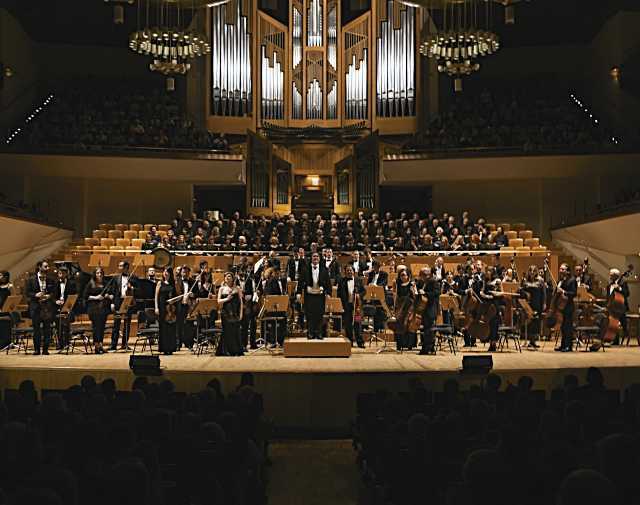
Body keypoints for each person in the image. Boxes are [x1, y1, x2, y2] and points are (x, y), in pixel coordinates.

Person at [25, 260, 56, 355]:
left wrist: (49, 296)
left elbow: (54, 292)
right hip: (36, 307)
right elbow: (27, 293)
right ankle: (37, 349)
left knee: (47, 329)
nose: (48, 268)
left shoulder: (50, 279)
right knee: (36, 330)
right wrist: (36, 295)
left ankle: (46, 349)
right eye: (45, 266)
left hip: (47, 307)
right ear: (39, 267)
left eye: (48, 266)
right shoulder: (31, 279)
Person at [300, 252, 331, 340]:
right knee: (309, 315)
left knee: (319, 315)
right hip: (309, 295)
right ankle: (310, 333)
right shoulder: (305, 269)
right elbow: (300, 282)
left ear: (319, 258)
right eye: (314, 256)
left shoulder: (324, 269)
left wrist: (328, 293)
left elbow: (328, 283)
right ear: (311, 258)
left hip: (320, 296)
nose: (315, 258)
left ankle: (319, 333)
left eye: (317, 256)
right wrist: (298, 293)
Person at [83, 267, 112, 354]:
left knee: (102, 327)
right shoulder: (90, 284)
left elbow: (109, 294)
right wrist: (96, 297)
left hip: (103, 308)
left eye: (101, 273)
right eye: (98, 273)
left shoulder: (105, 284)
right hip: (93, 308)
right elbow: (85, 296)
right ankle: (96, 346)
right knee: (96, 327)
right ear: (95, 274)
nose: (99, 275)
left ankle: (101, 345)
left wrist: (108, 296)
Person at [109, 260, 135, 352]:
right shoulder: (115, 278)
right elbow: (112, 291)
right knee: (116, 324)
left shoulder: (133, 278)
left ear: (126, 268)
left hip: (128, 302)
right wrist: (112, 303)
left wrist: (132, 288)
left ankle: (125, 344)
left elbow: (139, 290)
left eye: (120, 266)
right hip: (118, 302)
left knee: (127, 324)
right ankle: (113, 345)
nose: (119, 267)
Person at [337, 265, 365, 348]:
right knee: (348, 324)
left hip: (357, 306)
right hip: (346, 305)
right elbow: (339, 293)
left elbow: (364, 291)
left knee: (358, 323)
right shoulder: (341, 281)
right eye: (348, 270)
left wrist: (360, 295)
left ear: (354, 271)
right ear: (345, 272)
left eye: (351, 270)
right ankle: (350, 341)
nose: (349, 272)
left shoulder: (358, 280)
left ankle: (360, 342)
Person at [217, 272, 244, 356]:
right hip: (225, 313)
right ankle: (226, 351)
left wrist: (241, 314)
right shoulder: (221, 289)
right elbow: (218, 301)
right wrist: (227, 299)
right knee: (227, 331)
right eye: (226, 277)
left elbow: (241, 302)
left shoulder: (237, 288)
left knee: (235, 331)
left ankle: (236, 351)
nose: (227, 278)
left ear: (233, 278)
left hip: (235, 312)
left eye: (229, 276)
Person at [416, 267, 440, 355]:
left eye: (423, 275)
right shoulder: (422, 282)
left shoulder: (434, 282)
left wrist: (425, 293)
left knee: (429, 330)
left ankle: (428, 348)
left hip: (431, 308)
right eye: (421, 275)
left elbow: (437, 293)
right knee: (426, 329)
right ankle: (427, 347)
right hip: (423, 308)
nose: (422, 277)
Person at [520, 265, 545, 349]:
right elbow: (521, 290)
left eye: (534, 271)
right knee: (527, 322)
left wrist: (544, 303)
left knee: (535, 322)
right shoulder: (525, 280)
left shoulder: (540, 280)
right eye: (530, 271)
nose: (532, 272)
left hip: (537, 302)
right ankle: (526, 340)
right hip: (528, 303)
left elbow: (543, 293)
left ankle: (533, 341)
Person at [555, 263, 577, 352]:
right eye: (560, 269)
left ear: (567, 271)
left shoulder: (572, 280)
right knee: (563, 327)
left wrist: (563, 291)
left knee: (568, 327)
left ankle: (569, 346)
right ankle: (563, 345)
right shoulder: (562, 280)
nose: (561, 271)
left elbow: (573, 293)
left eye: (563, 269)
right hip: (562, 306)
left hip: (568, 306)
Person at [155, 267, 177, 355]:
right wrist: (156, 307)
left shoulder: (172, 284)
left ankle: (171, 348)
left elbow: (175, 296)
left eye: (167, 271)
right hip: (162, 308)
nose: (165, 273)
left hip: (170, 310)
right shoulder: (160, 283)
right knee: (163, 329)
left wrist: (173, 301)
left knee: (171, 329)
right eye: (164, 271)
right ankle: (164, 348)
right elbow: (156, 297)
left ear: (170, 273)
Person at [54, 266, 77, 351]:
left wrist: (68, 302)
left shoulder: (72, 283)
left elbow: (75, 295)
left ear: (66, 274)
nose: (60, 275)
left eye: (62, 273)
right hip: (57, 307)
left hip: (68, 306)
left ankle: (67, 343)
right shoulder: (55, 283)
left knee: (66, 326)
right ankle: (60, 344)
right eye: (59, 273)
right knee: (58, 326)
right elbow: (52, 295)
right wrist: (56, 301)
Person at [606, 267, 630, 345]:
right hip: (612, 306)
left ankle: (620, 338)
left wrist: (619, 288)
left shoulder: (623, 283)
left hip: (621, 307)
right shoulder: (610, 284)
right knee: (611, 322)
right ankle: (612, 339)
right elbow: (609, 296)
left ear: (615, 275)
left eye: (611, 275)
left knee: (619, 322)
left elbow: (627, 293)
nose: (609, 277)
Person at [0, 271, 14, 349]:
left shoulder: (10, 286)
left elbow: (14, 299)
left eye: (0, 275)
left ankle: (6, 343)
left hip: (6, 311)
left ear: (5, 277)